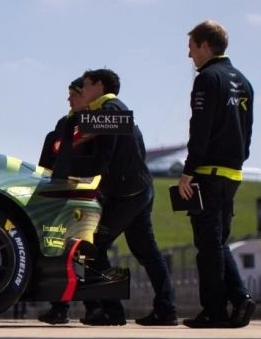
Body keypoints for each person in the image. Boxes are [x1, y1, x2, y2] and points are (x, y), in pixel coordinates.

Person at [74, 68, 177, 326]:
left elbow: (103, 157)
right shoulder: (117, 110)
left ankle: (112, 311)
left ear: (98, 85)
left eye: (85, 86)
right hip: (138, 190)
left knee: (93, 247)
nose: (82, 91)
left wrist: (75, 173)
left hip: (126, 194)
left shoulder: (108, 111)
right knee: (147, 251)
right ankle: (166, 309)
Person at [178, 20, 256, 328]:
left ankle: (214, 310)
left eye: (191, 48)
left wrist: (188, 171)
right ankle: (240, 299)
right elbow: (247, 131)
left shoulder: (207, 79)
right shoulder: (244, 81)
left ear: (205, 46)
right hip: (233, 173)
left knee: (207, 248)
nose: (189, 56)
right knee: (218, 242)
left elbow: (200, 129)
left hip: (208, 173)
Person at [36, 77, 98, 325]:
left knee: (86, 254)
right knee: (59, 253)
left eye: (74, 94)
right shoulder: (63, 125)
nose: (69, 99)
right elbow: (46, 163)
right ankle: (59, 307)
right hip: (60, 197)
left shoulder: (96, 124)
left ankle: (94, 306)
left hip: (86, 197)